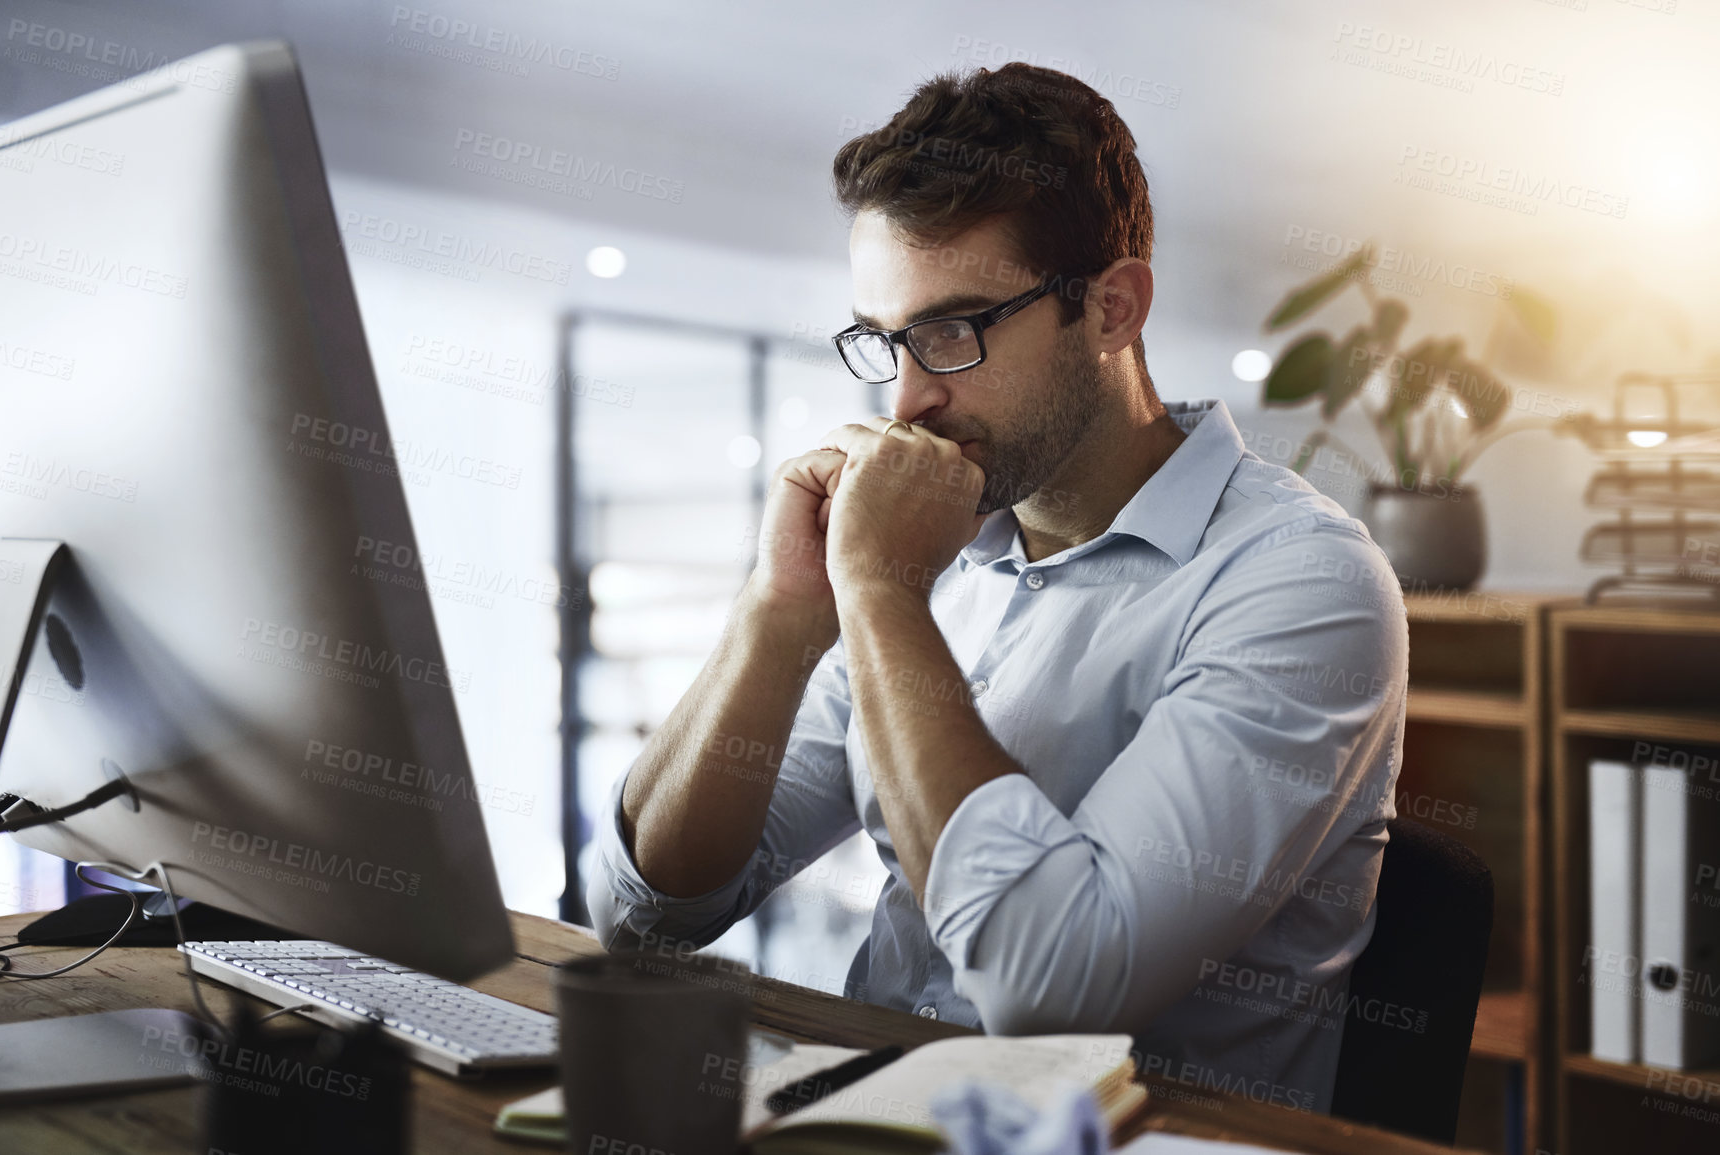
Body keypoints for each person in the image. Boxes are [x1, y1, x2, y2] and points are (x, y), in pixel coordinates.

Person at [588, 62, 1407, 1113]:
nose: (910, 397)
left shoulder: (1301, 582)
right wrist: (780, 618)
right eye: (885, 341)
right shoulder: (940, 553)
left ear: (1111, 307)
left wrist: (879, 594)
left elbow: (1052, 992)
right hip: (871, 1121)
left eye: (951, 332)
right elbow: (641, 916)